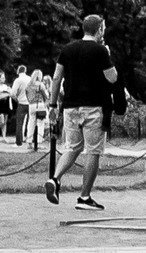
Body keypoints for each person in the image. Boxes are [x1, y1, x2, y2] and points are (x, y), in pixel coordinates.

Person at [49, 19, 116, 209]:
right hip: (93, 107)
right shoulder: (101, 51)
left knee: (73, 147)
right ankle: (84, 197)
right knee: (93, 151)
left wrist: (53, 104)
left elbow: (56, 77)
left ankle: (54, 179)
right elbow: (112, 77)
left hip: (71, 107)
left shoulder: (67, 49)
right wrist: (108, 56)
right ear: (99, 30)